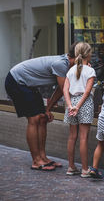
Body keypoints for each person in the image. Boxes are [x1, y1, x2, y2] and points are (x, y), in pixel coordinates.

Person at [5, 43, 77, 171]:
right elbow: (63, 90)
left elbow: (60, 90)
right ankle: (36, 161)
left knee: (43, 118)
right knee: (34, 119)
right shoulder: (61, 64)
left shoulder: (67, 64)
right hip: (16, 81)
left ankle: (43, 157)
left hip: (28, 85)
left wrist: (48, 109)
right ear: (78, 57)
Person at [63, 42, 96, 178]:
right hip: (84, 103)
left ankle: (71, 167)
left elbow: (65, 89)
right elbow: (87, 92)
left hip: (72, 102)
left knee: (72, 137)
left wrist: (70, 105)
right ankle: (84, 169)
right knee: (83, 138)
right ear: (88, 54)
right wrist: (78, 106)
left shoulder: (70, 70)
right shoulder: (90, 71)